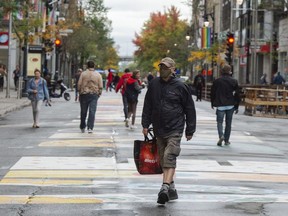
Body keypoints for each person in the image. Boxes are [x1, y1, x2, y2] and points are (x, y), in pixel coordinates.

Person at [141, 57, 196, 205]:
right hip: (159, 128)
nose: (162, 69)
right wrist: (145, 124)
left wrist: (190, 129)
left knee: (169, 156)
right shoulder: (154, 85)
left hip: (175, 128)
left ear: (172, 69)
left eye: (165, 67)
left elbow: (189, 108)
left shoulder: (181, 86)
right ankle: (171, 187)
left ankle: (164, 188)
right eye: (161, 67)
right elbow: (148, 105)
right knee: (163, 159)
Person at [210, 64, 240, 147]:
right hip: (230, 104)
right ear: (230, 71)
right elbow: (237, 94)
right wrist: (237, 106)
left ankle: (221, 136)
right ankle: (226, 140)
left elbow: (213, 93)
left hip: (220, 104)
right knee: (228, 123)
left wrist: (212, 103)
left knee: (219, 122)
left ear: (221, 71)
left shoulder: (217, 81)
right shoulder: (234, 81)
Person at [78, 60, 103, 133]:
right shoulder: (98, 75)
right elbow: (100, 86)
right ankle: (90, 127)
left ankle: (82, 126)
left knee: (83, 111)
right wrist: (99, 93)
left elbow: (79, 84)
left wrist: (79, 92)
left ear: (87, 66)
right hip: (94, 94)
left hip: (84, 93)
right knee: (92, 111)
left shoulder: (83, 74)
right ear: (94, 66)